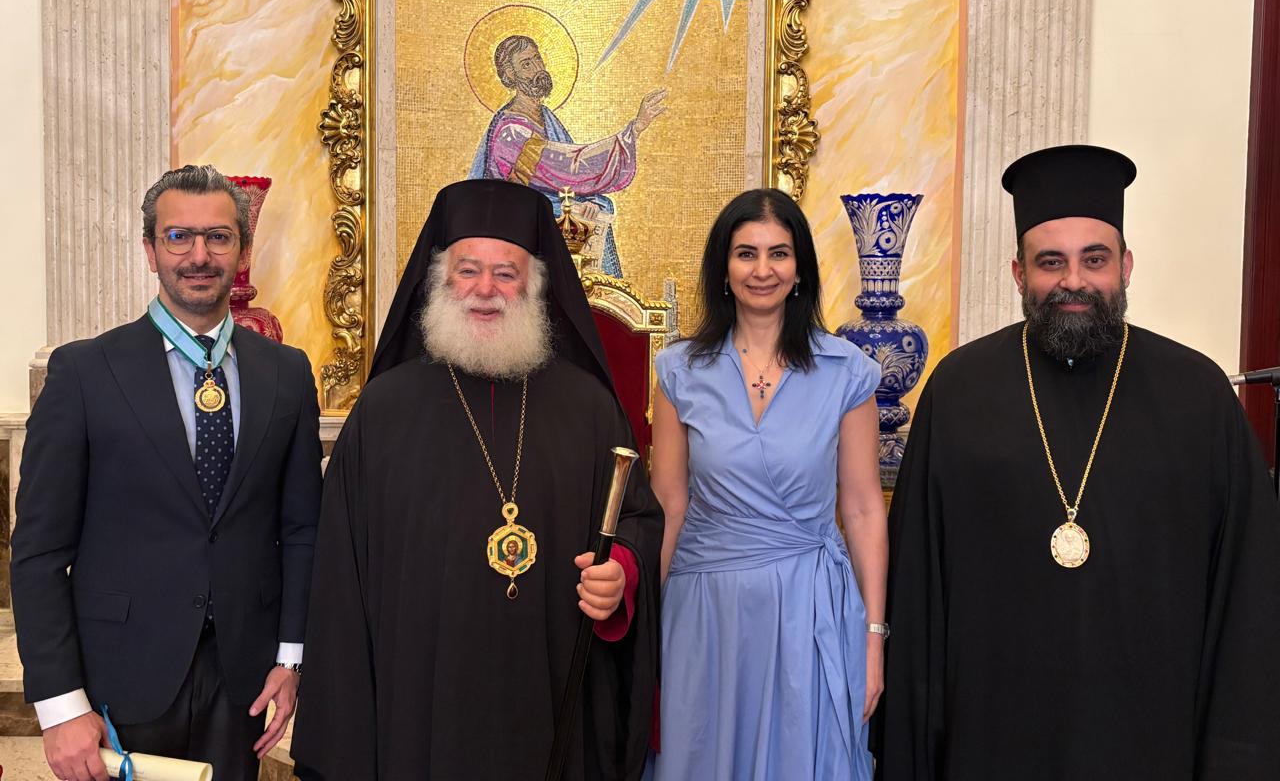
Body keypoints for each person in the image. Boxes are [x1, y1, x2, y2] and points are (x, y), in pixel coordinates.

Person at [876, 145, 1280, 780]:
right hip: (992, 739)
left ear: (1125, 265)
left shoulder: (1197, 396)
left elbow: (1247, 599)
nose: (1074, 281)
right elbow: (919, 591)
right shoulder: (958, 393)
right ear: (1018, 273)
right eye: (1050, 262)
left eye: (1095, 259)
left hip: (1152, 742)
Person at [290, 179, 662, 781]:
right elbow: (341, 575)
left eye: (505, 273)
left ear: (535, 286)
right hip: (418, 700)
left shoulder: (589, 408)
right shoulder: (384, 411)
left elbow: (637, 519)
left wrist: (621, 571)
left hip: (550, 691)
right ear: (440, 281)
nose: (485, 289)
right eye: (468, 270)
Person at [11, 164, 323, 781]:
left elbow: (302, 530)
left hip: (243, 679)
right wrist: (60, 706)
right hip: (117, 675)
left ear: (242, 251)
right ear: (151, 251)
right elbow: (39, 553)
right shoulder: (84, 373)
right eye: (179, 236)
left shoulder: (286, 373)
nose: (199, 255)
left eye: (218, 237)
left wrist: (291, 659)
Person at [646, 188, 887, 780]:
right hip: (704, 612)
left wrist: (873, 638)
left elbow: (862, 508)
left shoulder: (847, 372)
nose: (762, 269)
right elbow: (669, 504)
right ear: (724, 269)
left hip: (809, 608)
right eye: (745, 253)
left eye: (779, 253)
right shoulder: (679, 371)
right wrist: (645, 634)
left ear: (800, 268)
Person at [469, 33, 667, 276]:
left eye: (537, 59)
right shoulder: (510, 131)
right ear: (510, 75)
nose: (538, 68)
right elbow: (570, 167)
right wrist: (633, 130)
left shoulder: (547, 117)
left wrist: (589, 201)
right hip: (520, 225)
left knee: (599, 208)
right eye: (526, 64)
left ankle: (604, 296)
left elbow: (575, 181)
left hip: (553, 214)